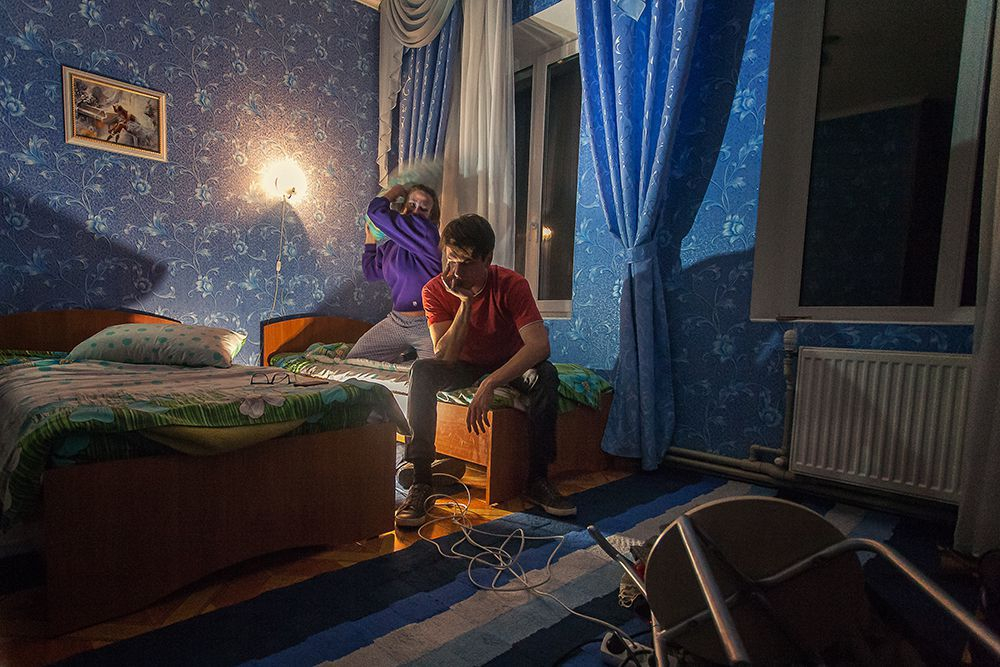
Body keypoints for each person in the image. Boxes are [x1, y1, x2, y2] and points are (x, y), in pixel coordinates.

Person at [394, 214, 574, 528]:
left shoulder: (511, 284)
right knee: (421, 371)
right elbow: (444, 355)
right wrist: (464, 304)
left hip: (507, 362)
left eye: (465, 263)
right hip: (462, 364)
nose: (456, 272)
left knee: (545, 374)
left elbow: (539, 346)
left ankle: (538, 479)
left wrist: (491, 382)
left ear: (487, 259)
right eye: (450, 260)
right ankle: (422, 481)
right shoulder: (435, 290)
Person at [348, 183, 443, 362]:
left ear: (431, 218)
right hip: (397, 320)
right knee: (356, 359)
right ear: (403, 208)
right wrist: (370, 241)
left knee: (433, 372)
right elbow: (371, 273)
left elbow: (376, 212)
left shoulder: (427, 234)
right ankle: (406, 360)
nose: (416, 212)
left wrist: (395, 191)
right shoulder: (390, 247)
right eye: (412, 205)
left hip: (427, 323)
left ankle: (410, 360)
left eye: (423, 209)